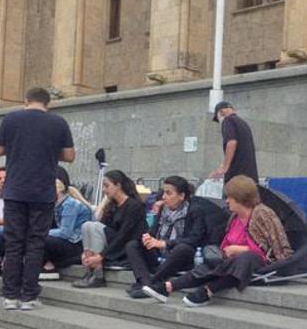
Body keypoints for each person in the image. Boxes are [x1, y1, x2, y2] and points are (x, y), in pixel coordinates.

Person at [142, 175, 292, 307]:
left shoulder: (263, 213)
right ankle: (168, 287)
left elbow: (273, 249)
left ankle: (207, 290)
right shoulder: (234, 217)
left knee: (244, 258)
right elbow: (226, 243)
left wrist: (240, 249)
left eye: (229, 197)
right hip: (231, 260)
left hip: (256, 260)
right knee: (214, 262)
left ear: (240, 198)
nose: (226, 201)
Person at [0, 87, 75, 311]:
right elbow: (69, 156)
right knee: (35, 244)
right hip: (42, 192)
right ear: (48, 103)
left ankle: (10, 296)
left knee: (14, 244)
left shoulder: (11, 119)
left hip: (15, 191)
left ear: (26, 100)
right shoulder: (58, 122)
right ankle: (29, 297)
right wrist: (47, 150)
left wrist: (20, 146)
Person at [125, 176, 201, 298]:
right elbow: (154, 230)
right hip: (159, 254)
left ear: (181, 196)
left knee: (183, 249)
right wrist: (147, 237)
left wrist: (165, 243)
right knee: (133, 245)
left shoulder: (194, 210)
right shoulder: (162, 209)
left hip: (178, 256)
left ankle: (151, 285)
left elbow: (194, 239)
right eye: (163, 192)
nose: (164, 197)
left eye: (168, 193)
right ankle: (146, 283)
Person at [72, 170, 147, 288]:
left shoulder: (134, 206)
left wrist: (101, 256)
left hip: (126, 246)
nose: (103, 189)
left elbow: (124, 234)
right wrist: (87, 251)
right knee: (87, 225)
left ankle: (97, 273)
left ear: (118, 186)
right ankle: (90, 267)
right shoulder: (112, 205)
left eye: (106, 186)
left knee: (94, 226)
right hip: (112, 243)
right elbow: (101, 228)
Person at [40, 167, 92, 281]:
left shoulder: (70, 204)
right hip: (70, 242)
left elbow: (65, 232)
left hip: (77, 244)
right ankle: (48, 264)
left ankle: (49, 267)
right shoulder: (58, 203)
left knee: (41, 238)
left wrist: (39, 232)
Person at [209, 101, 258, 184]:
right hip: (250, 177)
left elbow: (231, 142)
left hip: (236, 177)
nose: (220, 121)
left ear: (221, 112)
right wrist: (223, 165)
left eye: (218, 118)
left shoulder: (228, 120)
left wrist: (225, 167)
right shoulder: (243, 123)